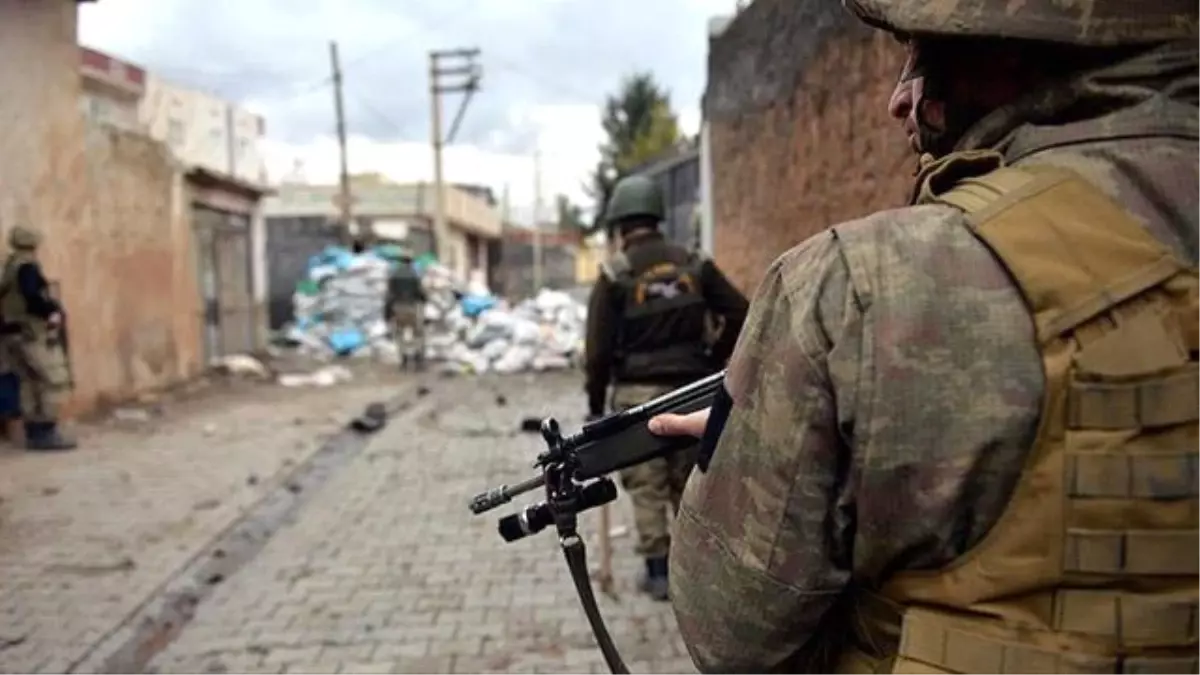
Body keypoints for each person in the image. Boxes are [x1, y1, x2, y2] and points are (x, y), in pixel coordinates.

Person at [649, 1, 1200, 672]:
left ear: (1008, 48)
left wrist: (782, 434)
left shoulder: (857, 284)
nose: (896, 97)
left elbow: (730, 633)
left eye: (921, 50)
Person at [585, 174, 748, 601]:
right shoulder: (693, 263)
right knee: (691, 482)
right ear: (657, 217)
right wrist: (714, 357)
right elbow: (741, 311)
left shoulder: (615, 274)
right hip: (692, 395)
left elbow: (597, 350)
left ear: (620, 225)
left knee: (646, 486)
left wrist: (595, 404)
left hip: (637, 401)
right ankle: (698, 570)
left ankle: (658, 573)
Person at [0, 225, 76, 451]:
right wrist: (51, 312)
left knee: (28, 382)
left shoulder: (10, 266)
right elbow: (32, 297)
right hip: (30, 332)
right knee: (50, 379)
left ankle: (34, 433)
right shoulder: (27, 267)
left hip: (13, 334)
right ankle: (45, 432)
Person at [385, 251, 427, 370]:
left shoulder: (394, 275)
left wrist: (388, 313)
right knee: (418, 333)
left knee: (399, 334)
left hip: (398, 307)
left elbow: (389, 294)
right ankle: (418, 359)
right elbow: (420, 292)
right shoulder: (414, 275)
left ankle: (404, 359)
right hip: (412, 306)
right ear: (411, 262)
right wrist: (425, 300)